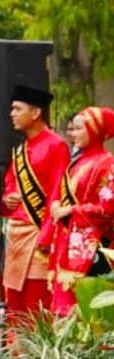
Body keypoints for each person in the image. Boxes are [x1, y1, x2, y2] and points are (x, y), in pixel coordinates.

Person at [0, 85, 69, 317]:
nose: (12, 114)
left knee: (35, 301)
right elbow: (10, 183)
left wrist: (47, 234)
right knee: (14, 303)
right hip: (17, 234)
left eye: (18, 108)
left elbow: (57, 192)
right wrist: (7, 198)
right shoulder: (20, 150)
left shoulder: (56, 145)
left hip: (39, 234)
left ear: (36, 112)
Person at [40, 106, 114, 316]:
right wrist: (57, 207)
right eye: (72, 129)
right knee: (62, 310)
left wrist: (71, 210)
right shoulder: (77, 162)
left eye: (79, 129)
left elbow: (109, 209)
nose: (73, 134)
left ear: (95, 130)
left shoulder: (107, 163)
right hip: (67, 242)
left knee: (85, 312)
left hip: (91, 251)